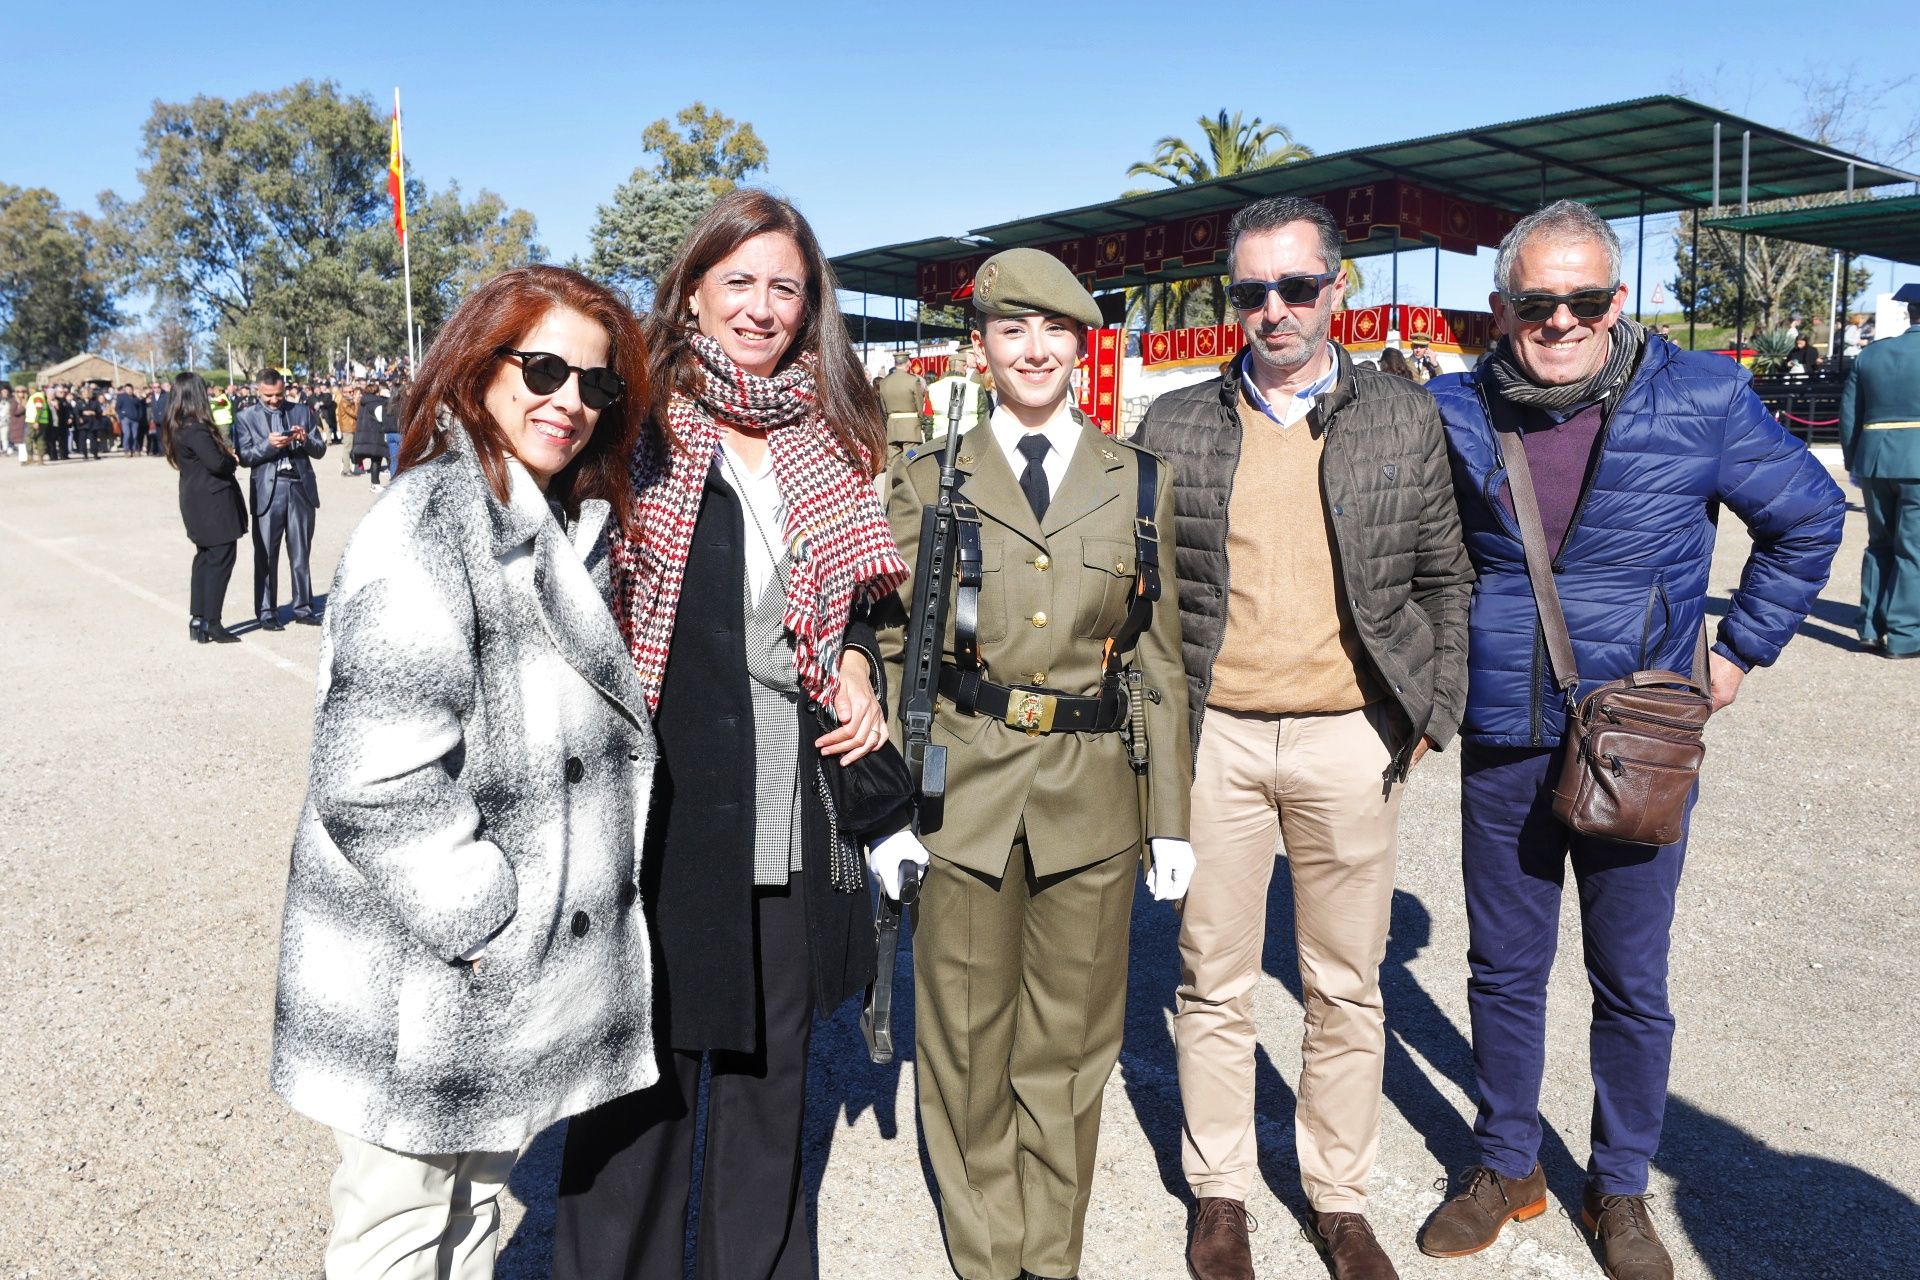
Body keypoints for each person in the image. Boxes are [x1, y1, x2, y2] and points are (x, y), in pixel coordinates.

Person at [1419, 200, 1844, 1280]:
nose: (1561, 321)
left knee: (1630, 974)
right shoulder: (1455, 409)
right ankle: (1505, 1163)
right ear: (1501, 306)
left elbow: (1808, 514)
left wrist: (1740, 651)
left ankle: (1620, 1186)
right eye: (1536, 301)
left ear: (1619, 300)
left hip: (1641, 733)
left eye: (1586, 299)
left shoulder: (1699, 394)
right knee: (1505, 966)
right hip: (1507, 732)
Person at [270, 264, 657, 1280]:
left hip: (489, 974)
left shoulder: (552, 521)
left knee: (474, 1213)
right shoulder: (430, 521)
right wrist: (491, 916)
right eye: (542, 368)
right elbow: (373, 780)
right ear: (479, 369)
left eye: (595, 383)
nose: (568, 400)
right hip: (427, 969)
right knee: (397, 1235)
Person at [552, 188, 908, 1280]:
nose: (761, 307)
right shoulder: (633, 421)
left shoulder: (835, 439)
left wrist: (852, 660)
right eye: (739, 281)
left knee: (770, 1072)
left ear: (811, 308)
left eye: (785, 288)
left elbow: (853, 603)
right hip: (658, 804)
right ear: (694, 288)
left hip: (785, 803)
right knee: (640, 1083)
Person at [1134, 196, 1473, 1280]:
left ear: (1339, 288)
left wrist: (1431, 709)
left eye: (1293, 286)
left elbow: (1444, 575)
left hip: (1348, 740)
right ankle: (1221, 1191)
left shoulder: (1399, 418)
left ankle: (1338, 1197)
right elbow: (1139, 590)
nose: (1271, 310)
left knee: (1344, 983)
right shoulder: (1177, 422)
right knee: (1214, 979)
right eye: (1249, 291)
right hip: (1217, 739)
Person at [874, 247, 1192, 1280]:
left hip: (1092, 801)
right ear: (984, 346)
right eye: (1013, 330)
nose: (1036, 348)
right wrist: (886, 806)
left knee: (1068, 1056)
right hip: (961, 794)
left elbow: (1159, 659)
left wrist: (1171, 814)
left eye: (1055, 331)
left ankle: (1049, 1259)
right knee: (965, 1050)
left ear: (1080, 346)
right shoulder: (931, 478)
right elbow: (893, 647)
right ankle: (988, 1256)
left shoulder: (1139, 481)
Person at [1840, 282, 1920, 659]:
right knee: (1913, 550)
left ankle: (1869, 627)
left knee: (1879, 544)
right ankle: (1903, 634)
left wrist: (1855, 461)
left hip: (1874, 460)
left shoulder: (1871, 355)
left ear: (1910, 312)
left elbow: (1849, 415)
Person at [234, 368, 326, 629]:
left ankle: (303, 607)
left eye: (279, 394)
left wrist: (305, 438)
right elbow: (245, 457)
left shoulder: (301, 411)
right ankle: (266, 612)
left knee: (300, 552)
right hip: (268, 491)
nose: (274, 400)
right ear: (258, 391)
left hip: (299, 488)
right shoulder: (245, 417)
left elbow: (319, 450)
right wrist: (268, 445)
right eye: (268, 396)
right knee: (266, 554)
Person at [160, 372, 246, 644]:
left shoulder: (177, 425)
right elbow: (216, 464)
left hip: (195, 498)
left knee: (205, 559)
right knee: (221, 558)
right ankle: (213, 621)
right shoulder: (195, 428)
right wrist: (231, 460)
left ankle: (199, 618)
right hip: (212, 501)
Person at [875, 347, 928, 459]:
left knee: (892, 462)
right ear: (908, 363)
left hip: (892, 427)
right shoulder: (913, 381)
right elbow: (919, 404)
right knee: (910, 460)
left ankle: (891, 478)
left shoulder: (884, 382)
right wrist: (920, 421)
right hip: (911, 429)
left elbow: (883, 408)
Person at [354, 379, 391, 485]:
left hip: (366, 433)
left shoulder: (364, 402)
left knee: (375, 460)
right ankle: (375, 483)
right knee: (376, 460)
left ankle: (374, 483)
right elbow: (380, 418)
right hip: (375, 433)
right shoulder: (376, 402)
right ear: (376, 392)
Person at [115, 382, 148, 456]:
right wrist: (122, 416)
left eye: (130, 389)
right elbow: (117, 408)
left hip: (135, 419)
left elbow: (139, 408)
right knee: (127, 434)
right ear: (125, 390)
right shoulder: (121, 397)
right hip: (125, 418)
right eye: (127, 389)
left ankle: (134, 449)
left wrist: (139, 416)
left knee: (135, 435)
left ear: (132, 389)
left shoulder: (135, 398)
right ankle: (127, 450)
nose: (129, 390)